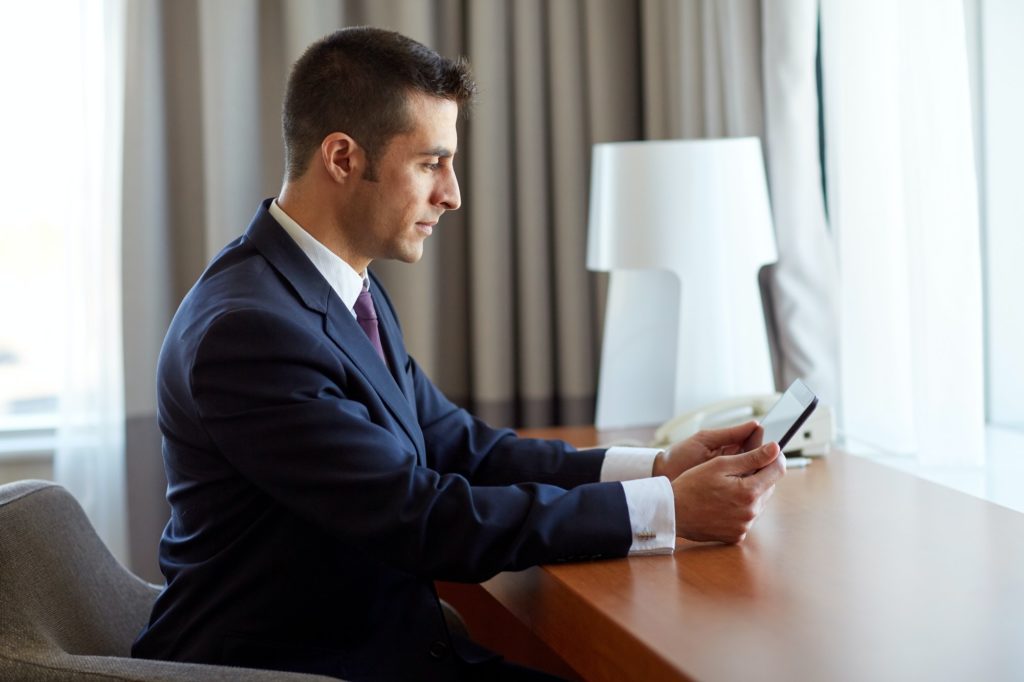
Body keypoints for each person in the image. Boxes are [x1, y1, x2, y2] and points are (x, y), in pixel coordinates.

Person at [131, 26, 784, 682]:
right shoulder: (247, 330)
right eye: (430, 163)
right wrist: (667, 509)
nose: (452, 193)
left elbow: (462, 448)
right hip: (300, 668)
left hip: (390, 649)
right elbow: (421, 517)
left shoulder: (340, 286)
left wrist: (657, 468)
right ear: (342, 158)